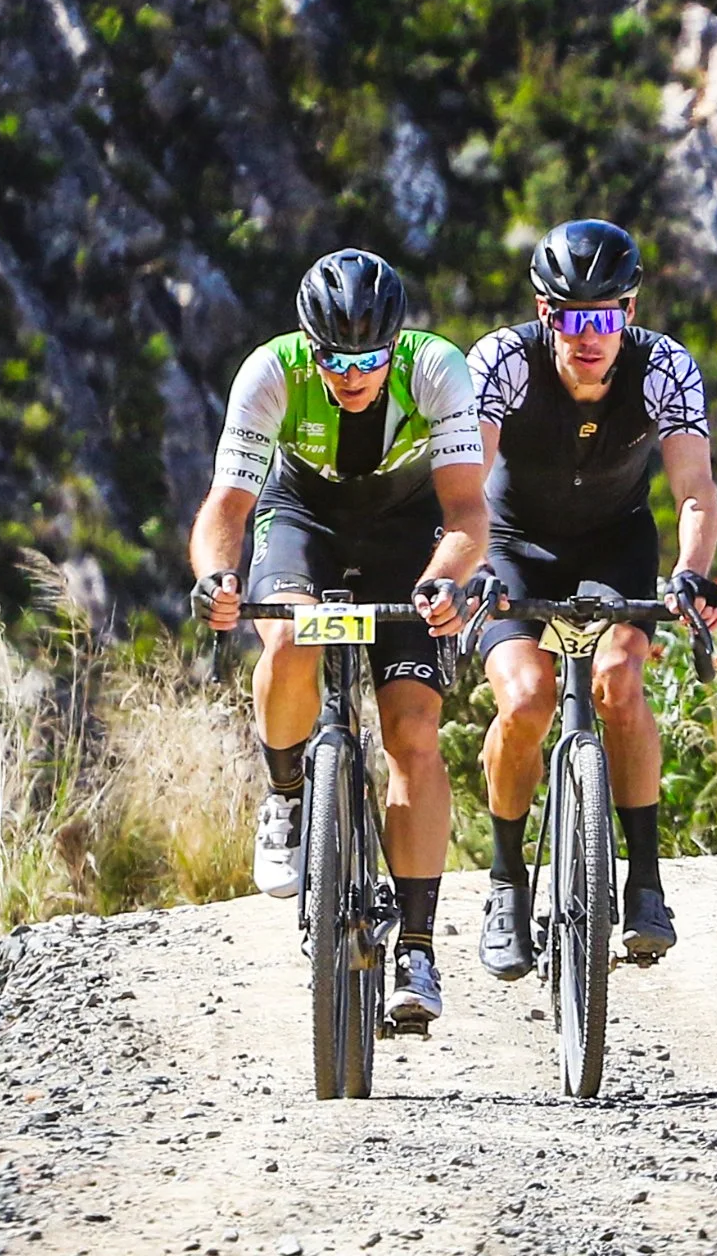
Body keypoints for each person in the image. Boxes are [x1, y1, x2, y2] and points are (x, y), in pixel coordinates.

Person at [189, 248, 488, 1030]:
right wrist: (219, 578)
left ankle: (417, 946)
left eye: (369, 358)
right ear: (307, 345)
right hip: (304, 520)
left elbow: (466, 515)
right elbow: (227, 507)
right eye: (335, 359)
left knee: (414, 729)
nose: (353, 375)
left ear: (396, 344)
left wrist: (446, 578)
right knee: (289, 640)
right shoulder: (271, 373)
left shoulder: (438, 370)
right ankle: (288, 796)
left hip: (405, 531)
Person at [465, 219, 717, 980]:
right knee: (525, 699)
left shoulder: (666, 368)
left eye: (605, 317)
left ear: (630, 314)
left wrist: (692, 573)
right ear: (546, 314)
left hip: (615, 544)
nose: (589, 336)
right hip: (513, 544)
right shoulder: (503, 362)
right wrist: (471, 566)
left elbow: (696, 491)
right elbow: (468, 485)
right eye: (573, 318)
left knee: (618, 681)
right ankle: (507, 886)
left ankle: (644, 882)